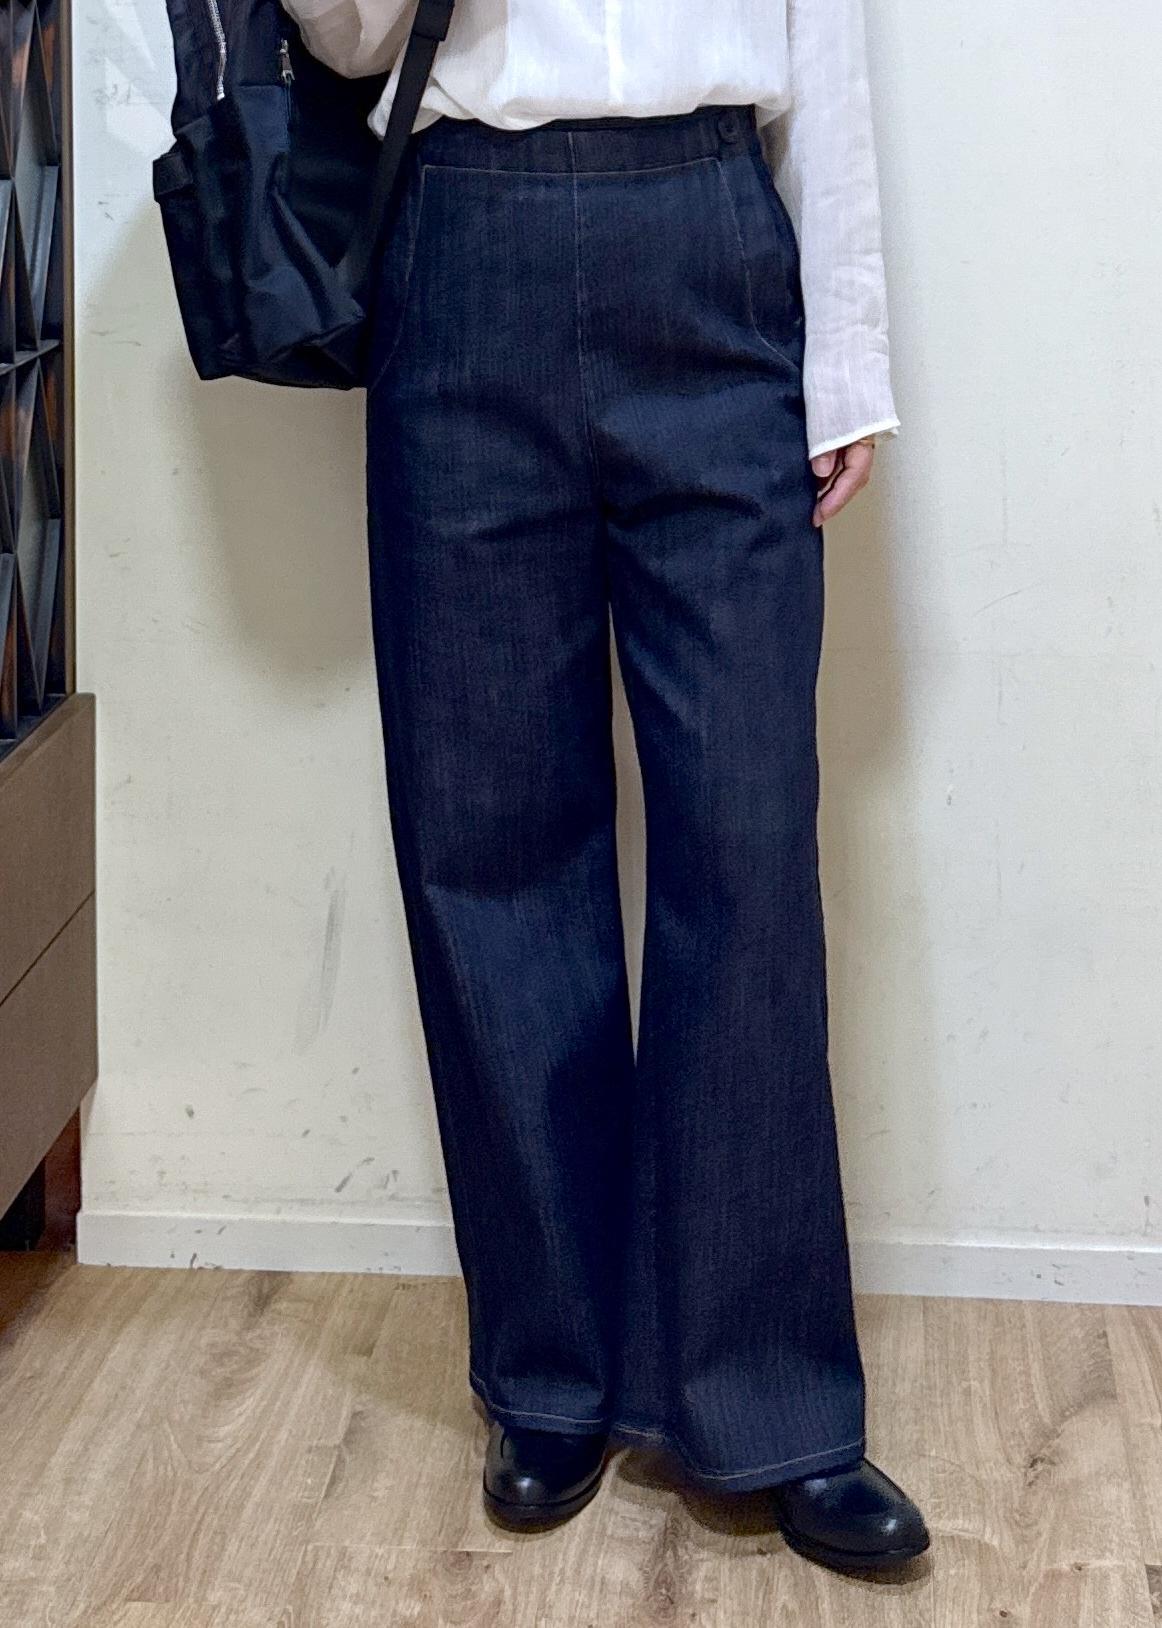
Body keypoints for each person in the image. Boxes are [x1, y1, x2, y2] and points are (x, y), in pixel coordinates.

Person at [280, 0, 929, 1575]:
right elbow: (353, 44)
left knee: (745, 837)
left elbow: (824, 45)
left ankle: (770, 1402)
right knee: (487, 831)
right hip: (464, 240)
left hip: (713, 238)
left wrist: (844, 358)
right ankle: (551, 1375)